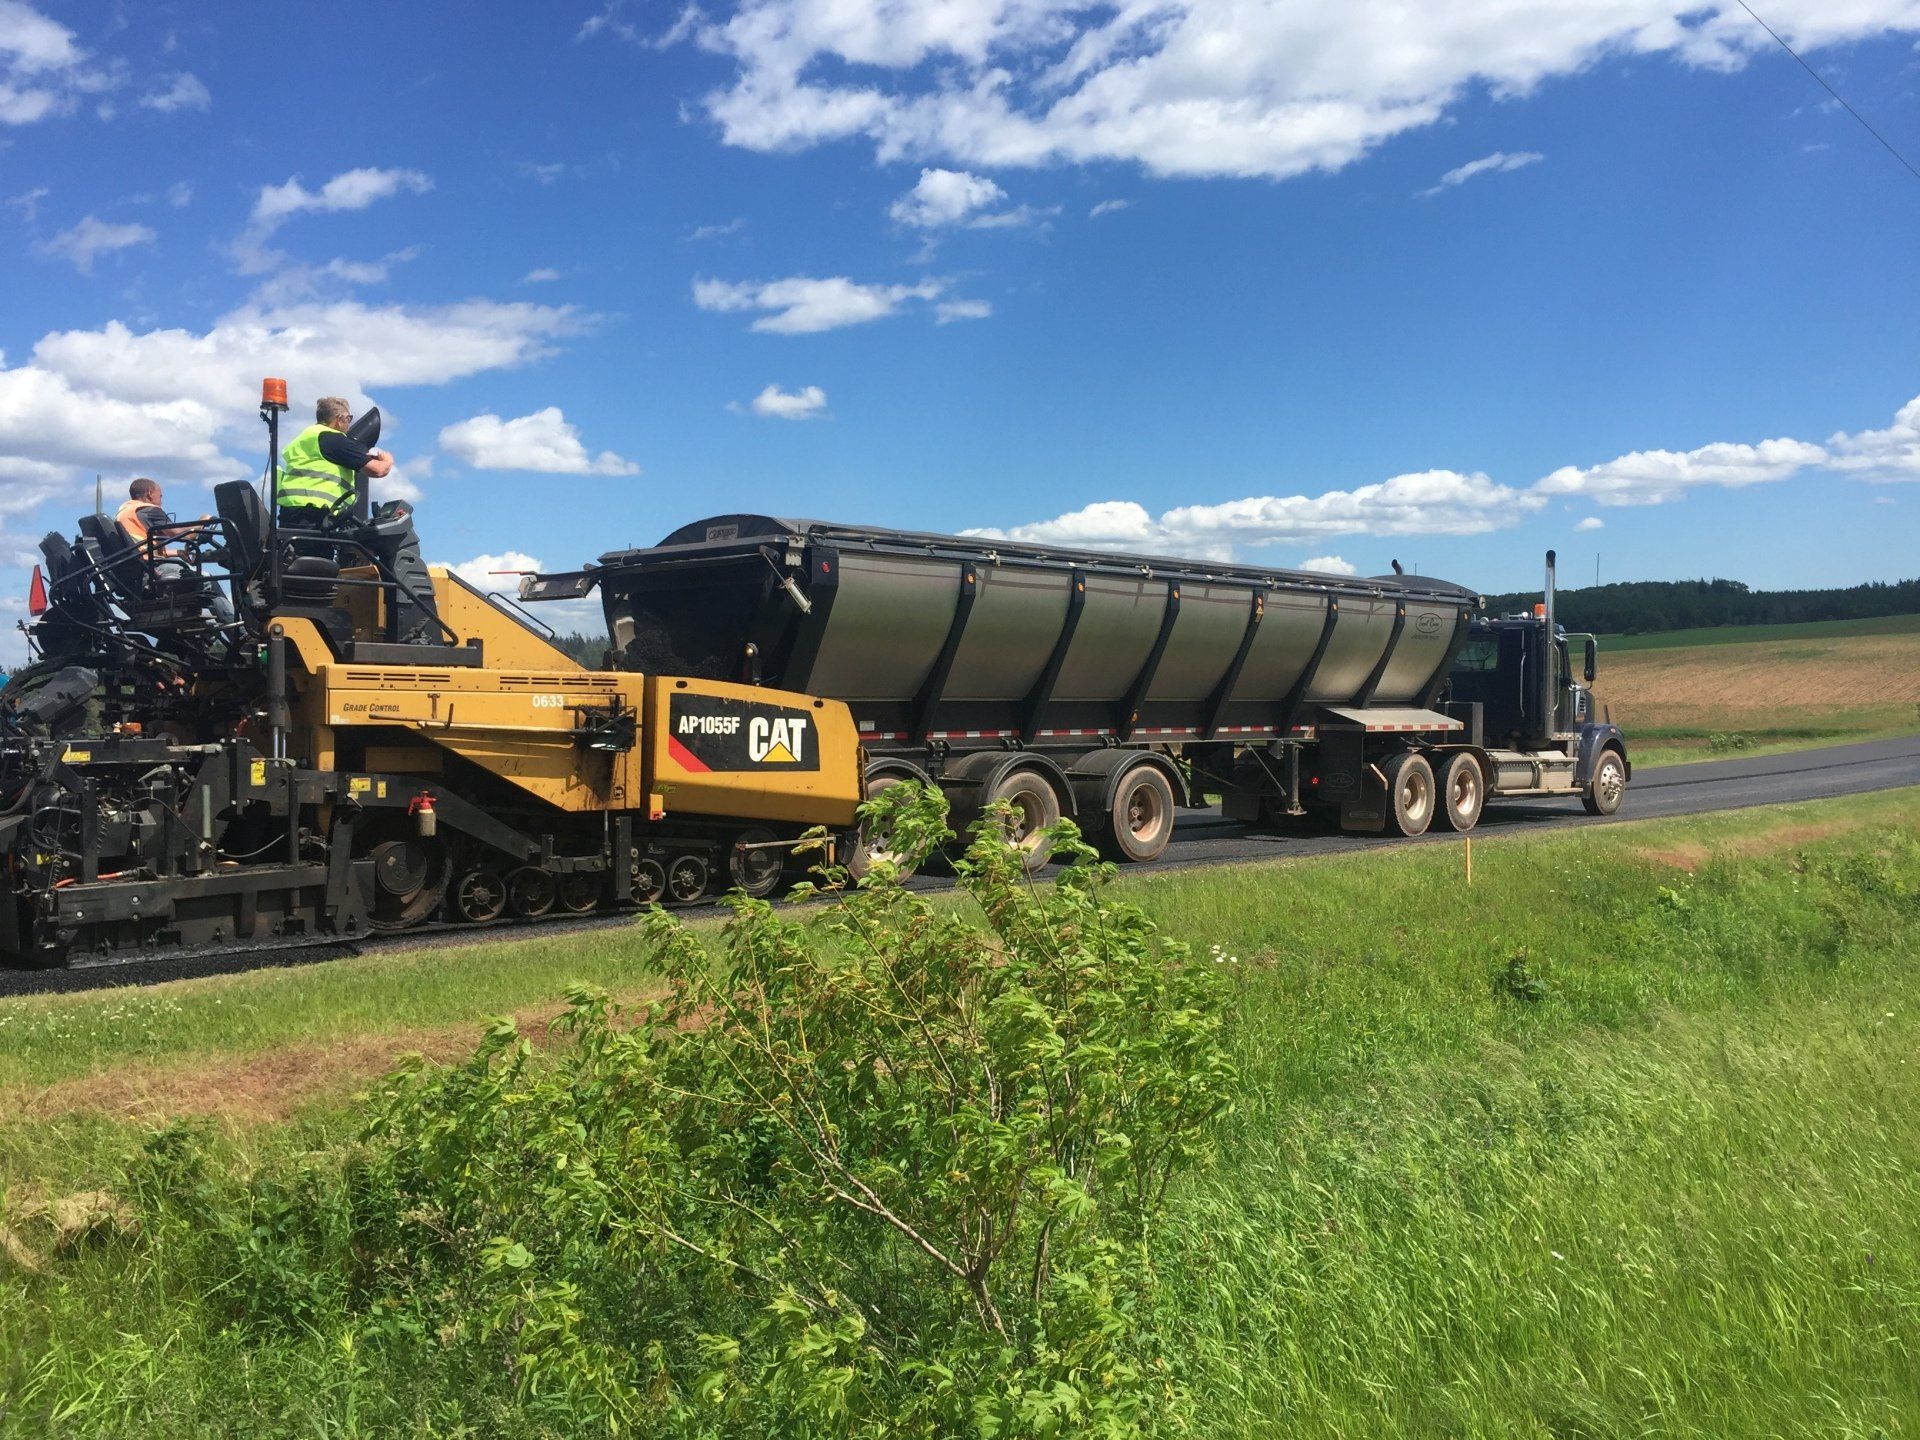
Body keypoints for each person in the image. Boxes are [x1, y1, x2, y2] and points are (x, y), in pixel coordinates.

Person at [275, 395, 441, 645]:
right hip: (314, 522)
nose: (348, 424)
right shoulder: (332, 439)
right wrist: (387, 458)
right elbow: (377, 470)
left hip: (296, 519)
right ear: (340, 419)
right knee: (320, 571)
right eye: (348, 419)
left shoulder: (305, 439)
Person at [114, 478, 236, 626]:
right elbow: (181, 534)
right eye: (160, 496)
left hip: (142, 573)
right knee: (207, 580)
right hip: (157, 572)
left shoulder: (125, 514)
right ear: (150, 493)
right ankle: (243, 634)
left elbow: (142, 550)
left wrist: (177, 553)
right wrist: (203, 522)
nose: (161, 500)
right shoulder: (147, 510)